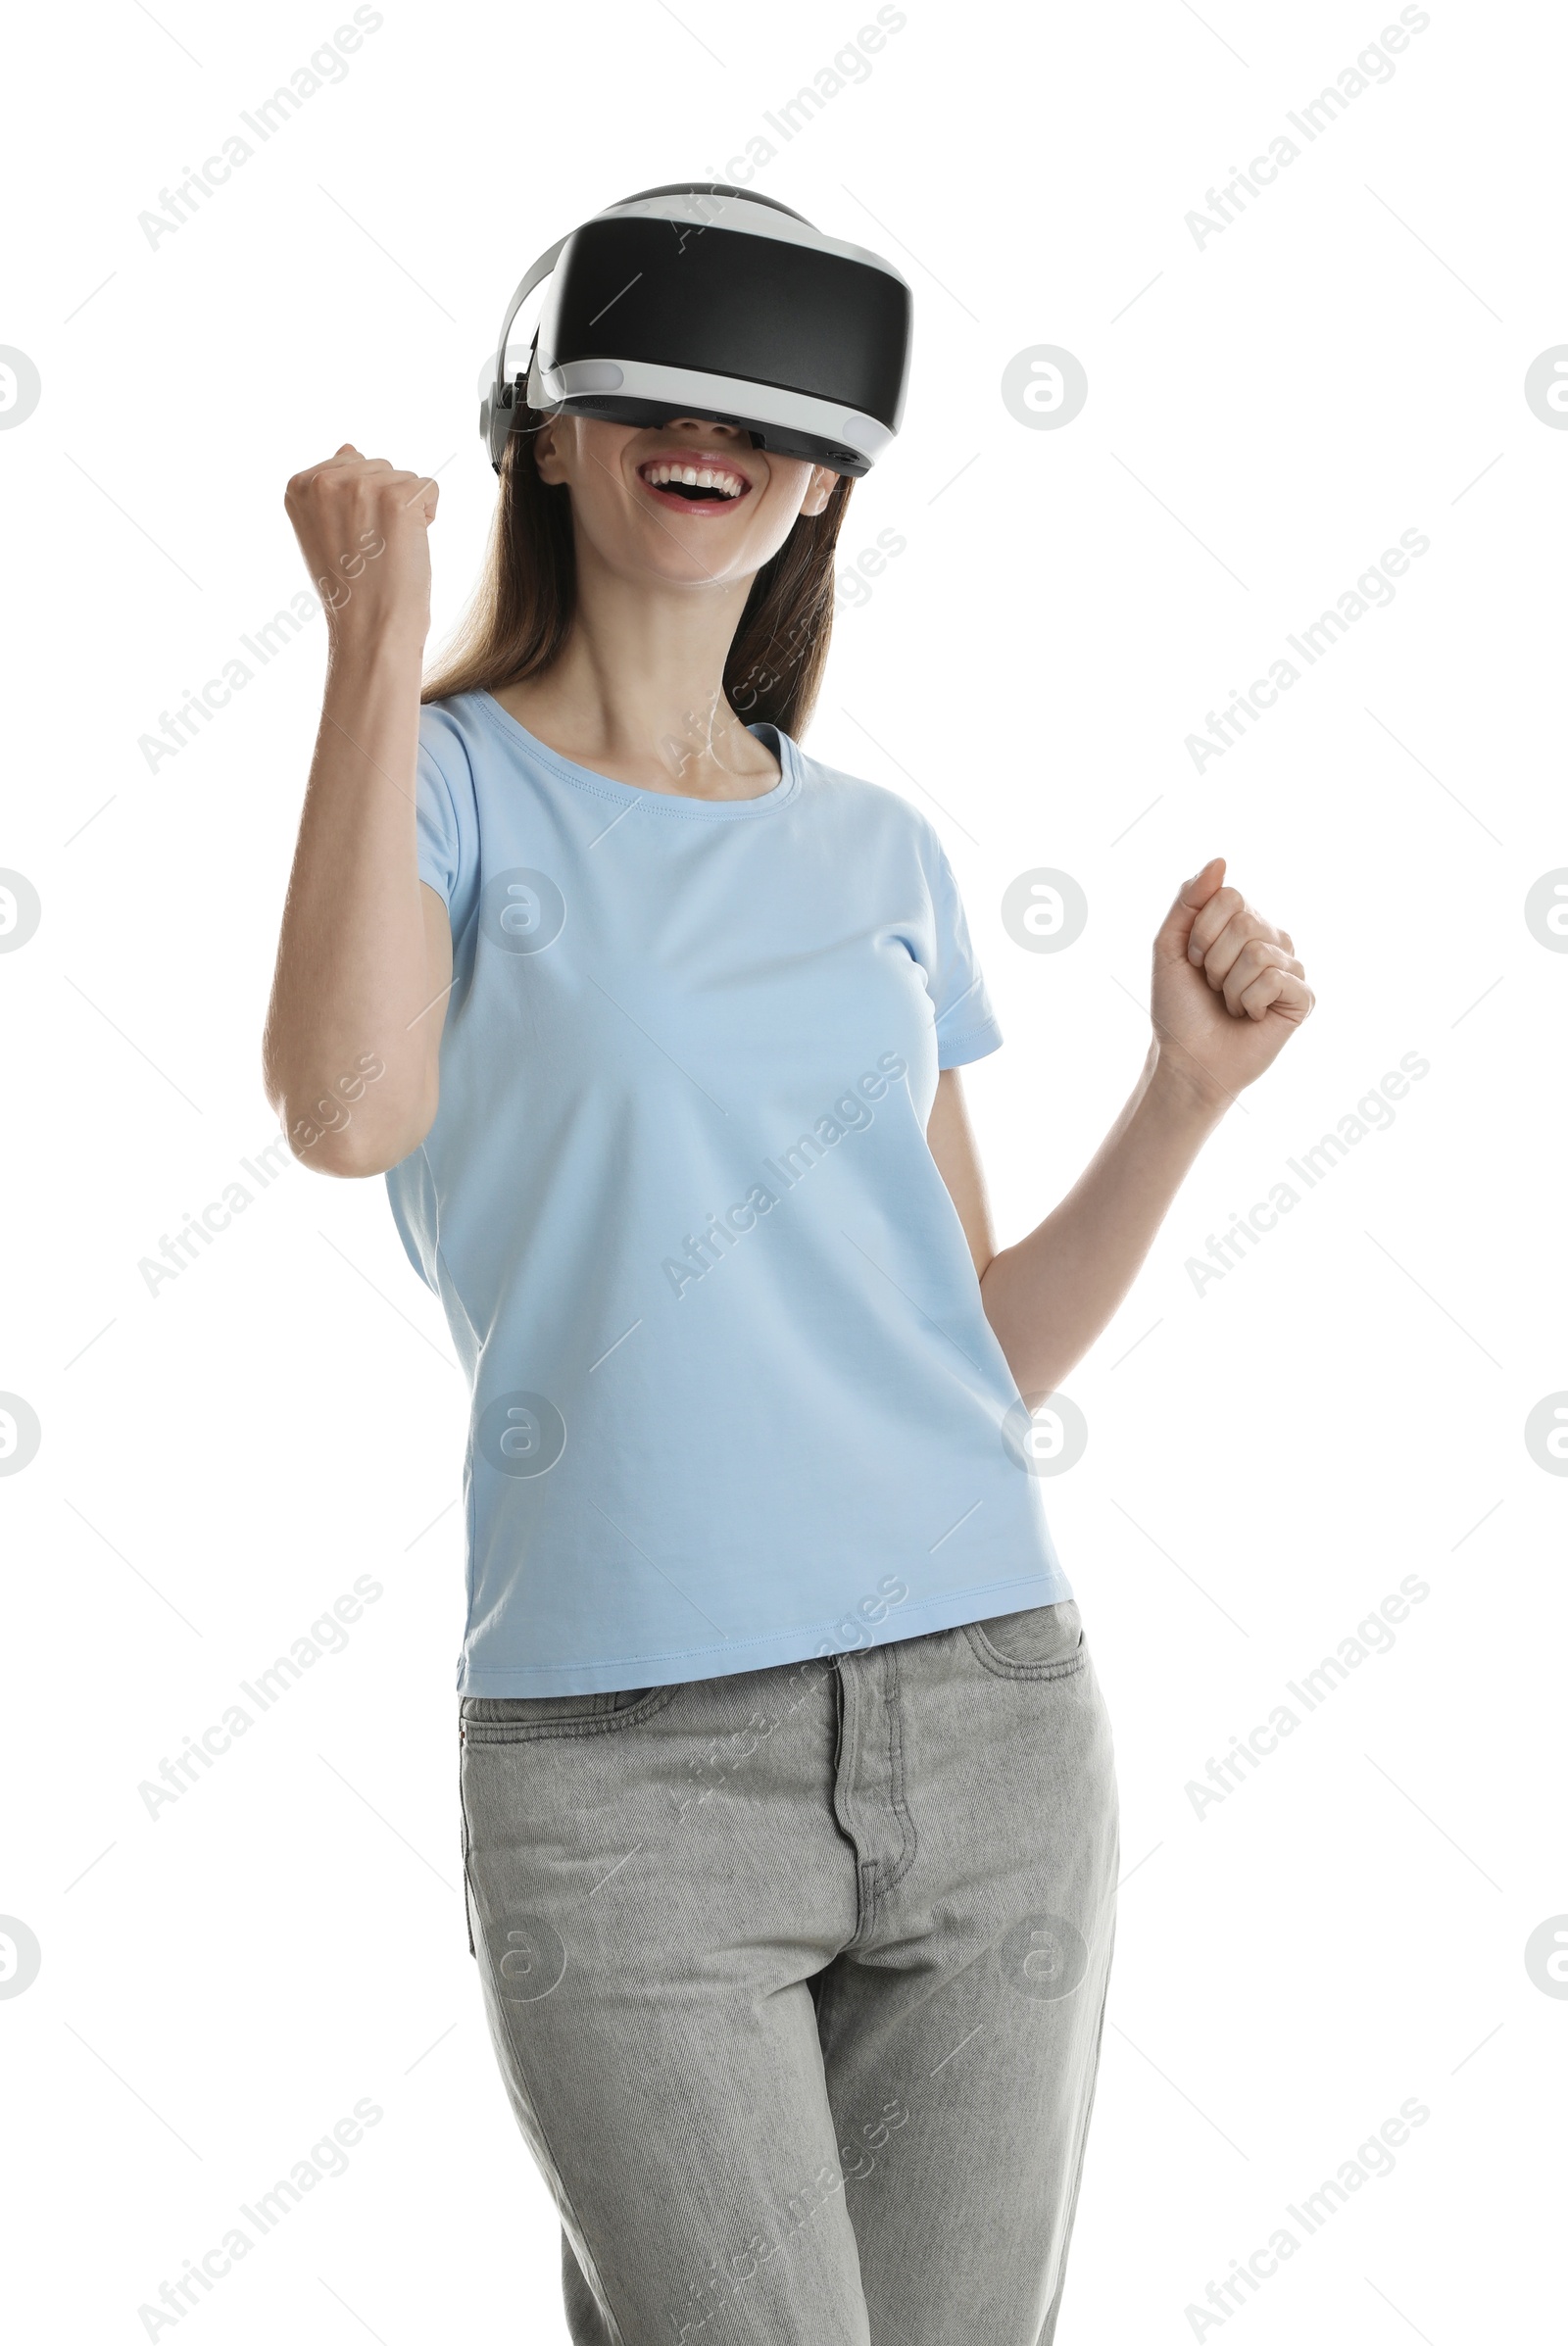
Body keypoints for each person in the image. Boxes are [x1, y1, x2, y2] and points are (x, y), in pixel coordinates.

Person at [263, 300, 1310, 2344]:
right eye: (643, 384)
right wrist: (371, 645)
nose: (701, 426)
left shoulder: (877, 852)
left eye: (763, 403)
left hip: (989, 1720)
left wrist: (1179, 1096)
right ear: (544, 443)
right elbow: (343, 1110)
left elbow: (970, 1355)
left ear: (822, 473)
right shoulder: (452, 786)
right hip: (622, 1771)